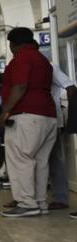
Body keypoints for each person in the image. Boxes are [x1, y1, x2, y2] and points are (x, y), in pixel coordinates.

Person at [0, 27, 57, 217]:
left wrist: (5, 112)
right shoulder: (43, 60)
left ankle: (26, 203)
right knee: (40, 162)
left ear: (14, 44)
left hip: (26, 116)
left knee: (20, 159)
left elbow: (20, 85)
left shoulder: (22, 58)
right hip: (48, 116)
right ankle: (40, 202)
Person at [46, 67, 75, 210]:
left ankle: (60, 197)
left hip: (53, 119)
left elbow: (70, 87)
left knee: (55, 158)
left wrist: (72, 115)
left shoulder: (51, 68)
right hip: (34, 119)